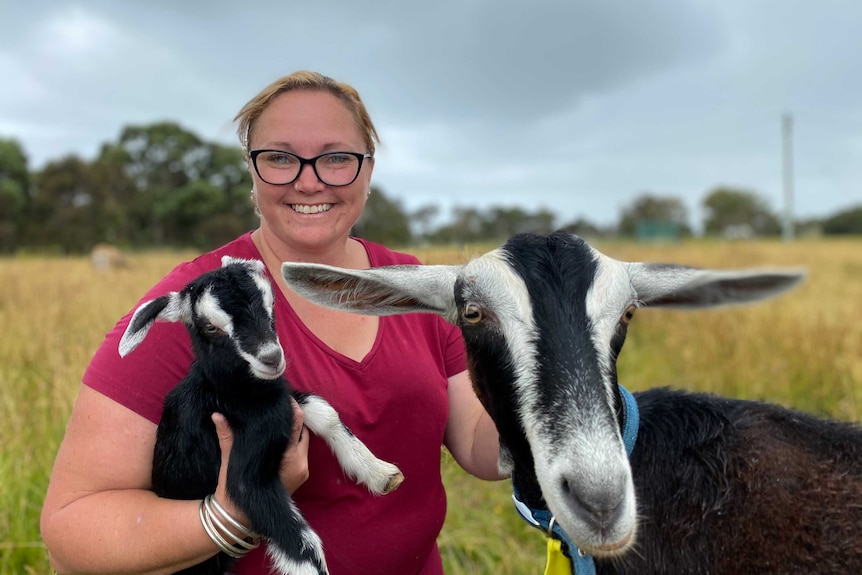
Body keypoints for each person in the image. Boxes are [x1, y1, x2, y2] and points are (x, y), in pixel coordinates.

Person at [40, 70, 504, 575]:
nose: (309, 180)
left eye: (336, 157)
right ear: (252, 170)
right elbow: (72, 529)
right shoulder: (198, 309)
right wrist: (229, 517)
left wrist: (565, 399)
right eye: (280, 158)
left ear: (368, 169)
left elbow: (483, 447)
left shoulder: (416, 287)